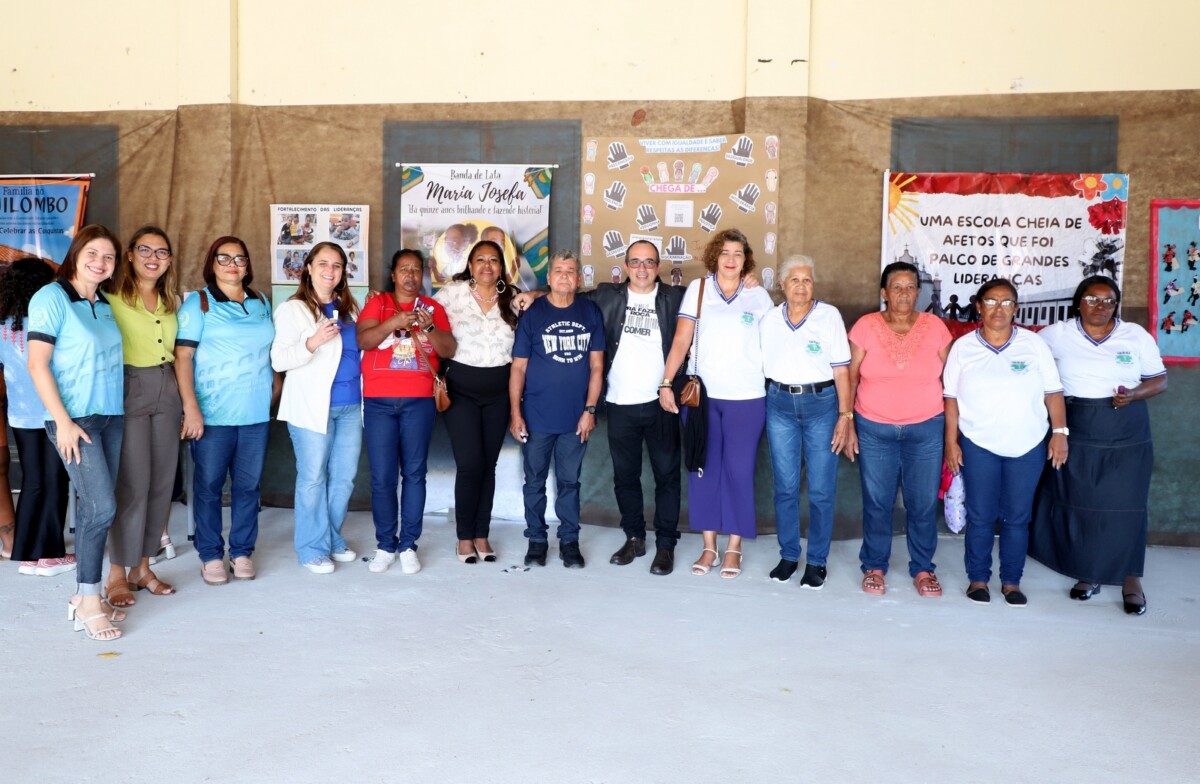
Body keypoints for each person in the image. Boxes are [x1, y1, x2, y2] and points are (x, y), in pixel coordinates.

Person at [1029, 276, 1167, 615]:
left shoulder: (1135, 335)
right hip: (1077, 425)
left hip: (1127, 428)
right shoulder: (1055, 335)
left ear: (1116, 305)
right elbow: (1031, 368)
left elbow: (1159, 380)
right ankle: (1089, 573)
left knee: (1126, 504)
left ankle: (1131, 578)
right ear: (1079, 302)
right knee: (1083, 502)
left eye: (1108, 300)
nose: (1100, 306)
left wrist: (1134, 393)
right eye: (1092, 299)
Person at [27, 225, 126, 640]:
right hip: (75, 420)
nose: (100, 262)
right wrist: (63, 421)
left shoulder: (104, 304)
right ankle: (87, 601)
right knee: (101, 507)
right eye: (93, 253)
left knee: (95, 508)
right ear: (76, 254)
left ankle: (87, 593)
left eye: (108, 257)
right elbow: (37, 364)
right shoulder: (51, 297)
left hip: (111, 416)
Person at [943, 278, 1068, 607]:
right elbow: (951, 398)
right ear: (979, 306)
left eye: (1006, 302)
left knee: (1017, 517)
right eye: (991, 301)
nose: (998, 308)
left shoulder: (1033, 344)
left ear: (1015, 309)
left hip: (1027, 445)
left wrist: (1060, 433)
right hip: (978, 444)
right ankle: (978, 579)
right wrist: (951, 442)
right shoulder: (963, 348)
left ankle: (1012, 582)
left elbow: (1053, 392)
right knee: (981, 515)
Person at [659, 229, 774, 579]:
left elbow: (775, 343)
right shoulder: (699, 289)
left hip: (747, 397)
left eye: (738, 253)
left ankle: (734, 547)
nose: (731, 259)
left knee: (739, 472)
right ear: (715, 256)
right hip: (702, 397)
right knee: (703, 470)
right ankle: (709, 546)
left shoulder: (758, 295)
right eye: (725, 252)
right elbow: (682, 341)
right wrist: (666, 382)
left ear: (746, 259)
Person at [847, 261, 952, 597]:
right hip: (874, 427)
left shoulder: (934, 327)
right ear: (884, 292)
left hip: (926, 428)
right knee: (878, 502)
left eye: (910, 287)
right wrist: (846, 420)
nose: (904, 293)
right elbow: (850, 377)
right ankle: (874, 566)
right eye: (897, 287)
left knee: (922, 503)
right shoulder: (866, 326)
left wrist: (954, 432)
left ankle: (922, 568)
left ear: (918, 292)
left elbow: (953, 379)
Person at [176, 236, 275, 586]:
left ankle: (242, 551)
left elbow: (270, 352)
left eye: (240, 258)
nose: (233, 264)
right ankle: (210, 555)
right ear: (212, 263)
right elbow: (183, 357)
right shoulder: (198, 303)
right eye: (224, 258)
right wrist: (190, 408)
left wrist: (273, 390)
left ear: (248, 265)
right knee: (208, 488)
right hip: (213, 414)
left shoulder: (260, 301)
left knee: (248, 487)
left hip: (255, 414)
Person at [357, 249, 455, 575]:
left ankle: (409, 545)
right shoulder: (378, 303)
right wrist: (393, 323)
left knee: (414, 474)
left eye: (415, 269)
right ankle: (386, 545)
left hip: (419, 401)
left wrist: (430, 329)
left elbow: (449, 349)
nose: (410, 275)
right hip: (378, 402)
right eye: (404, 269)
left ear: (422, 275)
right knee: (383, 477)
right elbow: (364, 340)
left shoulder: (432, 308)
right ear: (393, 274)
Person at [760, 255, 854, 588]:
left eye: (807, 280)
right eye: (794, 280)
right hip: (779, 403)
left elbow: (842, 371)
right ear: (782, 285)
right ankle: (788, 555)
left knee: (820, 490)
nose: (801, 286)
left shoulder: (829, 316)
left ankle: (816, 561)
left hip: (822, 404)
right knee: (785, 488)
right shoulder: (769, 319)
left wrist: (845, 415)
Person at [103, 227, 183, 606]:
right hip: (129, 385)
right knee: (132, 483)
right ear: (130, 254)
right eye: (145, 250)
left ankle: (143, 567)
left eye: (162, 252)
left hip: (169, 386)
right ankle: (117, 573)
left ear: (169, 260)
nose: (154, 258)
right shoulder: (109, 297)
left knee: (161, 481)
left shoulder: (172, 300)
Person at [510, 250, 605, 568]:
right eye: (559, 270)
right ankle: (537, 541)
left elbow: (597, 366)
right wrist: (515, 414)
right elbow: (518, 368)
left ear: (578, 279)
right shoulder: (533, 314)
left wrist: (590, 410)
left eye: (571, 271)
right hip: (536, 417)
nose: (565, 275)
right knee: (534, 482)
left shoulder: (590, 312)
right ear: (549, 278)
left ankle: (569, 541)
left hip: (575, 418)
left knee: (569, 483)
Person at [271, 241, 362, 574]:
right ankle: (312, 548)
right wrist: (312, 342)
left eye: (337, 265)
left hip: (350, 406)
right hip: (312, 406)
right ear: (308, 268)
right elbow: (279, 359)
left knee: (344, 479)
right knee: (313, 478)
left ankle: (331, 538)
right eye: (323, 263)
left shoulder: (350, 309)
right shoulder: (293, 309)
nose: (330, 270)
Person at [434, 240, 519, 564]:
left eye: (493, 260)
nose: (487, 265)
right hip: (461, 392)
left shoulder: (513, 299)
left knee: (488, 465)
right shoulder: (451, 295)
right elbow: (420, 312)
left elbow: (545, 303)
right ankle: (464, 536)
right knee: (470, 464)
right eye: (480, 259)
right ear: (470, 266)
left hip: (499, 393)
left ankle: (482, 534)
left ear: (501, 267)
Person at [0, 258, 72, 577]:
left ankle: (25, 552)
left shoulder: (3, 324)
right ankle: (51, 553)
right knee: (56, 480)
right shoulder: (49, 321)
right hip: (53, 412)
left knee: (33, 481)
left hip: (20, 415)